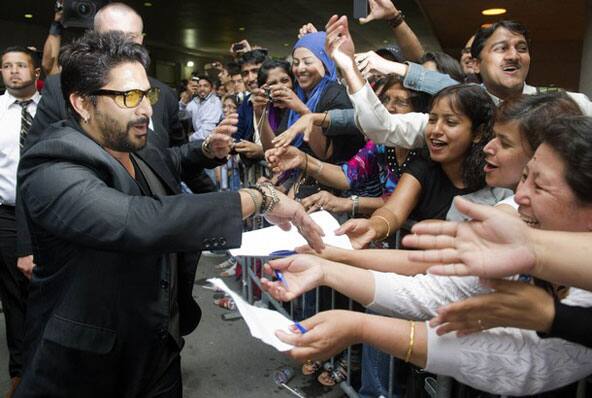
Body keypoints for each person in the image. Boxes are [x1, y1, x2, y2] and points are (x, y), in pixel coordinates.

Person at [16, 30, 323, 397]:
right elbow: (134, 220)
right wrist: (261, 197)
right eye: (129, 97)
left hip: (159, 348)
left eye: (147, 95)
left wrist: (205, 149)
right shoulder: (51, 162)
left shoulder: (131, 142)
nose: (145, 109)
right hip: (89, 364)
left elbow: (169, 161)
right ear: (83, 103)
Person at [260, 116, 592, 396]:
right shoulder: (513, 218)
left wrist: (359, 326)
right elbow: (435, 290)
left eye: (540, 186)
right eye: (523, 177)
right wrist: (326, 269)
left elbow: (527, 362)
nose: (520, 196)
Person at [0, 45, 40, 398]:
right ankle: (19, 372)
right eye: (7, 66)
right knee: (14, 296)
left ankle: (53, 368)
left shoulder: (52, 112)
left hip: (49, 213)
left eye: (20, 66)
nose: (13, 72)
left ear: (35, 72)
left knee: (51, 290)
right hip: (8, 215)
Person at [179, 76, 223, 142]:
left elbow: (206, 132)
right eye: (199, 86)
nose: (202, 88)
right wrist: (182, 104)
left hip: (210, 142)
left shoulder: (214, 102)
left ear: (211, 88)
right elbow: (182, 116)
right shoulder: (195, 101)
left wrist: (190, 138)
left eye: (205, 86)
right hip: (198, 139)